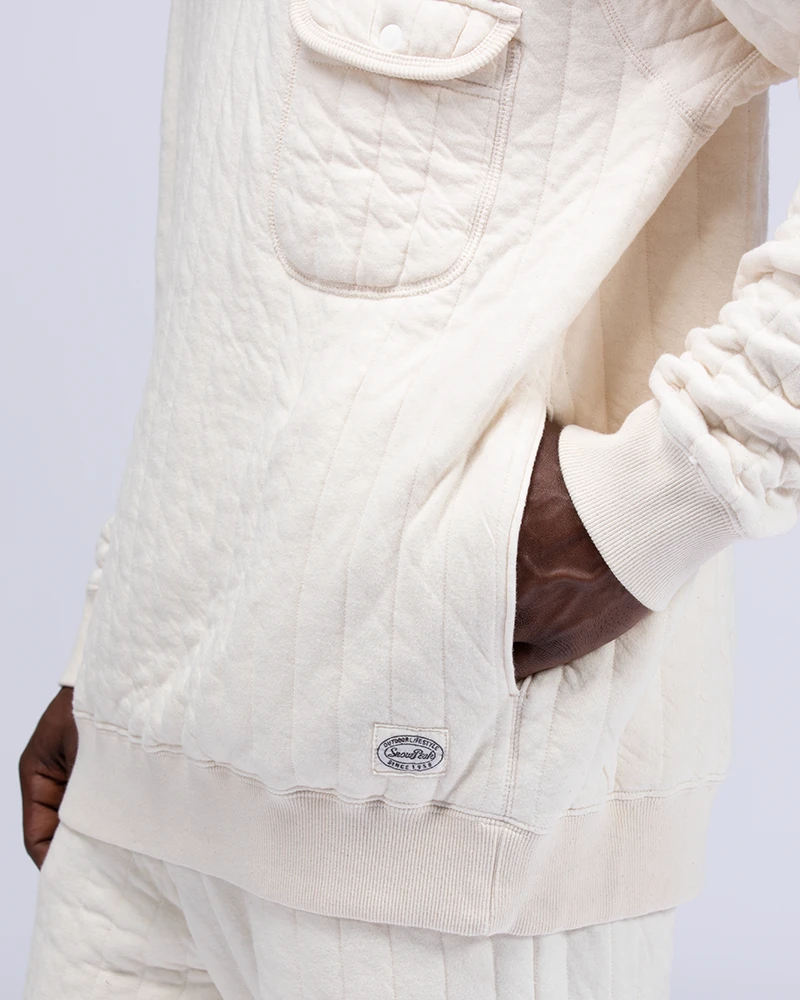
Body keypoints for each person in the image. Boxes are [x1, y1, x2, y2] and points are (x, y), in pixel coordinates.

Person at [19, 1, 800, 996]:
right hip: (133, 794)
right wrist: (108, 641)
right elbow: (251, 252)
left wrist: (667, 492)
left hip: (457, 822)